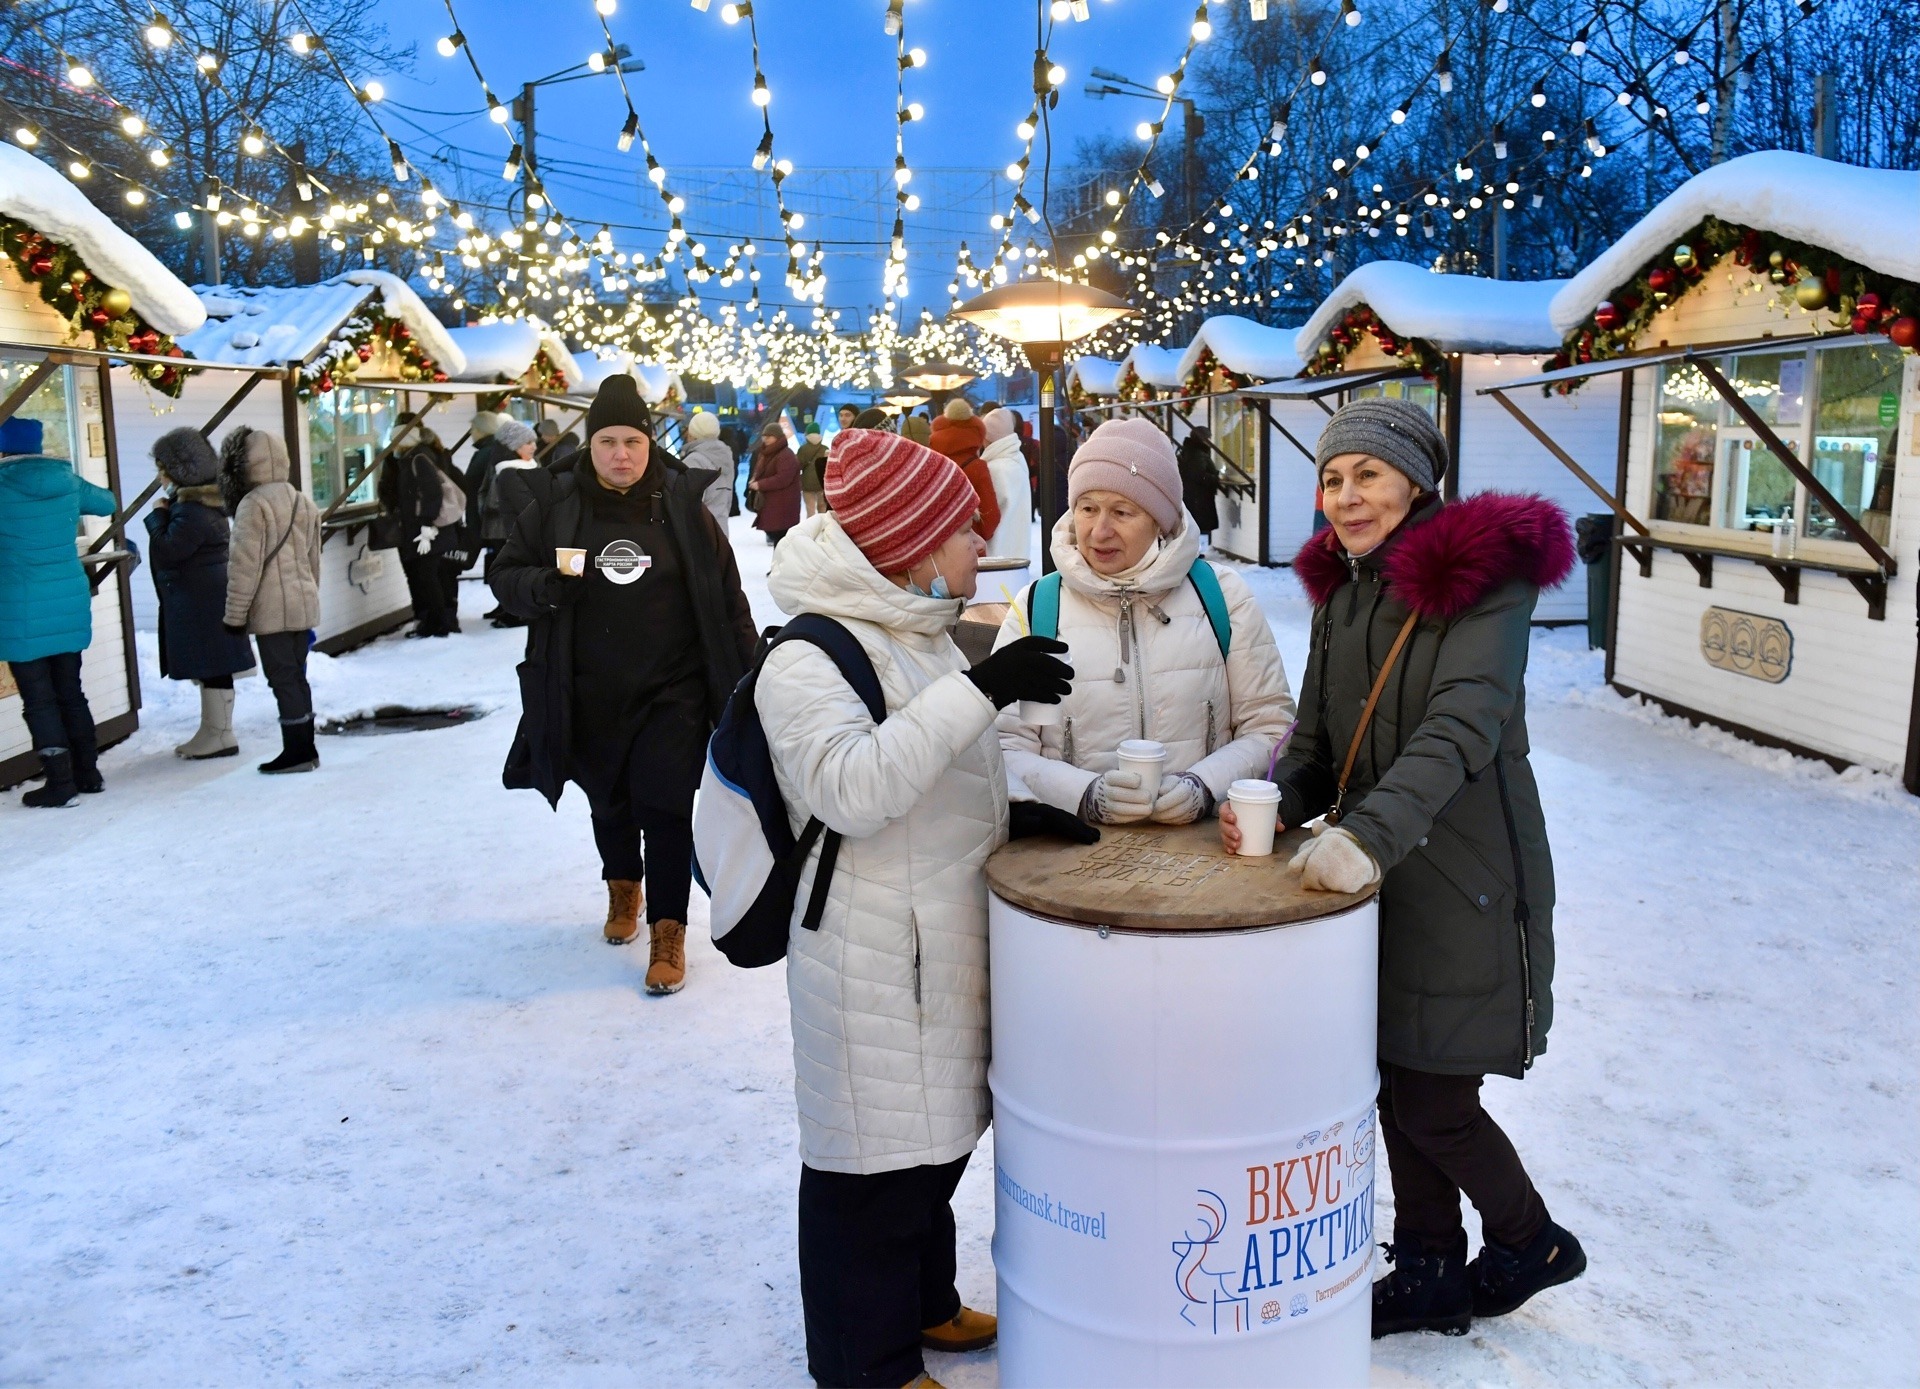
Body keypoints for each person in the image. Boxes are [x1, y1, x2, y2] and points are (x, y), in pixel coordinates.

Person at [1215, 397, 1584, 1339]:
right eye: (1332, 478)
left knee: (1434, 1090)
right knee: (1392, 1069)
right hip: (1375, 869)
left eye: (1368, 475)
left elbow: (1461, 725)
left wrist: (1364, 837)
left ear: (1418, 481)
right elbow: (1317, 741)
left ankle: (1530, 1237)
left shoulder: (1482, 584)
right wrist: (1273, 799)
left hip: (1465, 872)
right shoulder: (1344, 592)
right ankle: (1427, 1263)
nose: (1345, 496)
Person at [754, 427, 1075, 1389]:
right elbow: (852, 788)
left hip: (929, 938)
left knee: (930, 1149)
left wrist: (1017, 813)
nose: (983, 544)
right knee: (871, 1169)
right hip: (869, 951)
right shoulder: (806, 659)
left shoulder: (916, 635)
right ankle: (866, 1364)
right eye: (967, 530)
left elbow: (934, 776)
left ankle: (927, 1301)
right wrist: (981, 688)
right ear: (911, 544)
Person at [489, 374, 756, 993]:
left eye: (632, 440)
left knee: (664, 806)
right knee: (607, 800)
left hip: (673, 689)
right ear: (590, 444)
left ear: (648, 443)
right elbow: (505, 573)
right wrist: (542, 590)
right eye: (607, 440)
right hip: (585, 687)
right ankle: (622, 885)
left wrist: (748, 681)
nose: (621, 454)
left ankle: (669, 930)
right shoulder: (557, 505)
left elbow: (728, 598)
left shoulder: (683, 509)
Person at [996, 416, 1294, 828]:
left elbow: (1269, 726)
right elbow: (1009, 743)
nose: (1099, 531)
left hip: (1204, 851)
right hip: (1074, 853)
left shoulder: (1221, 596)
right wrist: (1083, 795)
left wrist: (1203, 786)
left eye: (1122, 511)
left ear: (1160, 521)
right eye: (1087, 508)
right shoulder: (1040, 609)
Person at [0, 416, 117, 806]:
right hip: (68, 602)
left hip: (19, 608)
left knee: (39, 700)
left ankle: (60, 783)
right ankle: (89, 773)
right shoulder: (66, 480)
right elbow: (109, 502)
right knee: (71, 692)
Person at [146, 427, 256, 759]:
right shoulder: (202, 502)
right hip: (204, 595)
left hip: (201, 599)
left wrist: (157, 517)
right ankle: (213, 730)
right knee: (211, 665)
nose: (161, 476)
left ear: (180, 472)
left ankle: (220, 734)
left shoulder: (191, 509)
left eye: (163, 469)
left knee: (213, 665)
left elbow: (170, 549)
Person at [219, 425, 322, 775]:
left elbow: (243, 566)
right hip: (302, 604)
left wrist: (235, 615)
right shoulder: (302, 500)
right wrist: (310, 597)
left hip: (272, 610)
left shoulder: (253, 505)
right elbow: (313, 560)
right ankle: (306, 748)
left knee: (282, 678)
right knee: (298, 676)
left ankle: (296, 753)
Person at [927, 398, 999, 545]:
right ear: (978, 432)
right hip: (968, 544)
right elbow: (990, 516)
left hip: (934, 546)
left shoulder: (929, 462)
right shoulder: (977, 467)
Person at [977, 407, 1031, 561]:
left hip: (997, 555)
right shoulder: (1016, 458)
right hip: (1018, 551)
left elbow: (988, 516)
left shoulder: (996, 469)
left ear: (987, 437)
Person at [681, 409, 736, 533]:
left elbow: (688, 506)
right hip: (720, 529)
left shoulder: (694, 460)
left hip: (699, 534)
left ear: (692, 433)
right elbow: (727, 499)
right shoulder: (725, 456)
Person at [748, 422, 801, 547]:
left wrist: (760, 484)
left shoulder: (786, 455)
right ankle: (778, 566)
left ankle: (782, 566)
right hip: (773, 503)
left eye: (769, 436)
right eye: (764, 436)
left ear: (777, 437)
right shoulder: (767, 453)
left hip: (783, 504)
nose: (765, 439)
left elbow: (783, 478)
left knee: (782, 541)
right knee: (779, 541)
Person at [1176, 424, 1220, 542]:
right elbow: (1199, 475)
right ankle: (1200, 552)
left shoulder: (1188, 450)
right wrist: (1215, 477)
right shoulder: (1198, 454)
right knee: (1201, 526)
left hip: (1192, 496)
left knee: (1196, 526)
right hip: (1199, 498)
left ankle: (1198, 551)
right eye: (1208, 437)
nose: (1210, 440)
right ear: (1202, 439)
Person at [796, 422, 829, 517]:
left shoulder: (802, 449)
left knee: (810, 510)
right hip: (821, 483)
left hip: (807, 484)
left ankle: (811, 529)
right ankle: (822, 528)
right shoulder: (825, 449)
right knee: (822, 509)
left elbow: (799, 466)